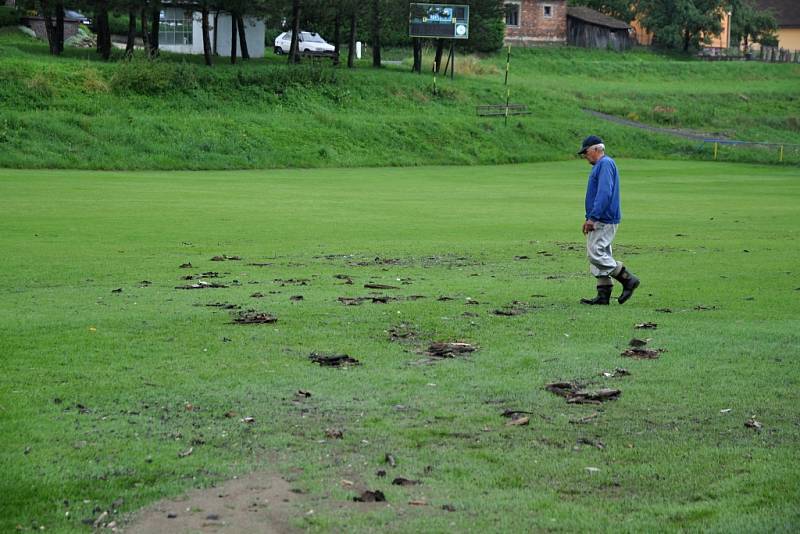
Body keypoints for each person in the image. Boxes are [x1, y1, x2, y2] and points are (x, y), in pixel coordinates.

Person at [577, 135, 640, 305]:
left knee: (595, 253)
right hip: (601, 216)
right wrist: (588, 217)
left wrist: (593, 217)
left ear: (597, 149)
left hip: (604, 218)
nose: (585, 155)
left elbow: (604, 193)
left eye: (586, 151)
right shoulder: (601, 165)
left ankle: (627, 279)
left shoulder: (605, 164)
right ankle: (603, 294)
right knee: (602, 252)